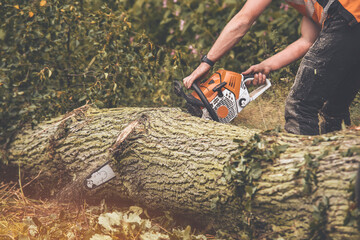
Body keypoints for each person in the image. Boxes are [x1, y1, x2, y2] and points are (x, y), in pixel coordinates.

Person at [183, 0, 360, 136]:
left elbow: (243, 20)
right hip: (350, 23)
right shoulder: (314, 6)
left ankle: (301, 174)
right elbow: (307, 40)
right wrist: (267, 65)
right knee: (333, 110)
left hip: (349, 20)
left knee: (300, 106)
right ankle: (339, 169)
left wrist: (207, 62)